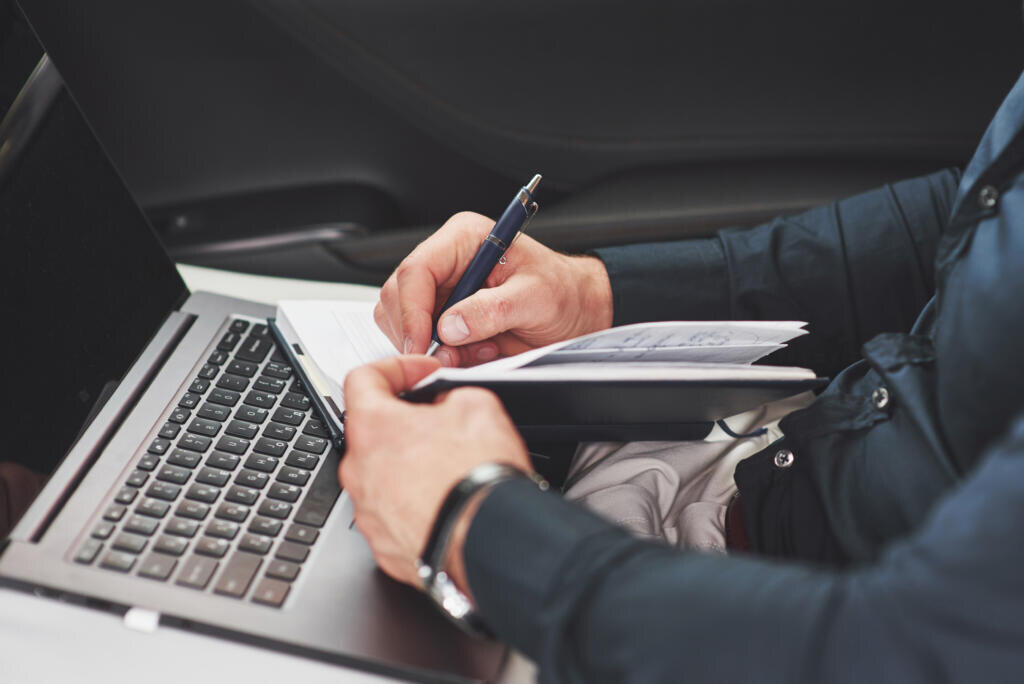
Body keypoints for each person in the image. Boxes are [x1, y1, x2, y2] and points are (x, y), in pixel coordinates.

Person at [338, 69, 1024, 681]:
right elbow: (973, 226)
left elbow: (899, 652)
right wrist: (595, 296)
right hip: (753, 498)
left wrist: (475, 526)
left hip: (740, 624)